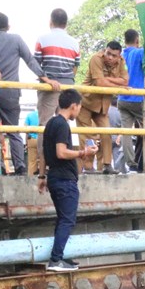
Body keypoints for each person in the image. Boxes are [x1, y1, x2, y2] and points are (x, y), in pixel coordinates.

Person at [0, 12, 59, 176]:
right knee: (13, 130)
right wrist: (45, 78)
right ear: (8, 26)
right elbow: (30, 60)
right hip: (11, 93)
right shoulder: (16, 40)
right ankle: (20, 167)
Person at [39, 88, 97, 272]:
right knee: (67, 220)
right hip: (64, 180)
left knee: (63, 219)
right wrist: (84, 152)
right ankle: (56, 260)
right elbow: (61, 152)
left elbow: (43, 154)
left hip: (55, 177)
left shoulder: (50, 123)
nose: (79, 111)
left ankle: (60, 256)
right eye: (79, 107)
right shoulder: (62, 125)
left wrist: (42, 176)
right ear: (74, 106)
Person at [34, 8, 80, 168]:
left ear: (50, 22)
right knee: (64, 123)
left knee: (44, 125)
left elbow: (36, 64)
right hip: (68, 85)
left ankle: (43, 164)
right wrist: (67, 80)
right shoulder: (74, 43)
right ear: (66, 24)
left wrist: (47, 79)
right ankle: (63, 158)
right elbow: (76, 66)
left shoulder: (42, 39)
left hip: (49, 86)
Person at [80, 41, 128, 174]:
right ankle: (88, 167)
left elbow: (126, 80)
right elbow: (100, 82)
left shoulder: (121, 62)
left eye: (114, 55)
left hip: (102, 105)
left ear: (119, 56)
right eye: (108, 54)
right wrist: (118, 84)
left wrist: (109, 80)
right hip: (86, 101)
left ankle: (107, 165)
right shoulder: (96, 58)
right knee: (87, 134)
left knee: (107, 132)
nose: (110, 57)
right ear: (104, 51)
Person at [119, 29, 145, 173]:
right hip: (137, 98)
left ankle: (131, 164)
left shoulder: (120, 54)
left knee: (126, 132)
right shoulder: (141, 52)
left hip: (122, 98)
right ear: (137, 40)